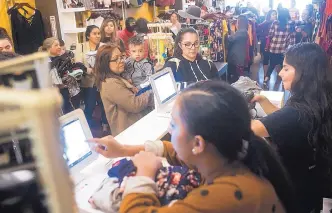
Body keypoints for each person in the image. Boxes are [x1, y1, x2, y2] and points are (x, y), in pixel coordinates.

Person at [89, 80, 298, 213]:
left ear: (198, 143)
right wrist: (124, 150)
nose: (169, 131)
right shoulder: (230, 157)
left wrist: (143, 174)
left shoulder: (227, 196)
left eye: (173, 124)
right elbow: (177, 152)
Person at [252, 43, 332, 213]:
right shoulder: (318, 100)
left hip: (296, 193)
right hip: (314, 184)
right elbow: (283, 122)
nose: (280, 73)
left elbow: (251, 129)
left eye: (286, 68)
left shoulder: (298, 112)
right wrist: (263, 101)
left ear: (304, 73)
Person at [94, 44, 154, 136]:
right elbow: (135, 104)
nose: (122, 61)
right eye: (116, 59)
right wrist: (152, 92)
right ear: (105, 63)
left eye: (122, 57)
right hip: (128, 134)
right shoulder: (110, 83)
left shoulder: (119, 77)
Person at [39, 37, 80, 113]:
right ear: (48, 48)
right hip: (56, 95)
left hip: (72, 92)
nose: (59, 47)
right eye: (56, 45)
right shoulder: (43, 62)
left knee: (75, 113)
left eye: (59, 45)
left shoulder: (65, 57)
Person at [82, 25, 109, 134]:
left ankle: (105, 125)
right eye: (94, 33)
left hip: (102, 79)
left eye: (99, 33)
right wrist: (86, 69)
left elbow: (108, 61)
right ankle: (85, 127)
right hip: (88, 81)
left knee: (104, 103)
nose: (98, 36)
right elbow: (77, 62)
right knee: (90, 104)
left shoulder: (104, 47)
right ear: (88, 35)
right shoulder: (82, 47)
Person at [263, 8, 295, 90]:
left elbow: (270, 34)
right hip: (282, 50)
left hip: (273, 49)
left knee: (271, 65)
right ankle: (284, 84)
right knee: (283, 66)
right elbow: (290, 40)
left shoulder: (275, 23)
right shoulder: (289, 24)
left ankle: (265, 80)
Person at [227, 15, 249, 84]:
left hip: (237, 57)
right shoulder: (243, 31)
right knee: (237, 75)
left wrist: (228, 32)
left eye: (237, 22)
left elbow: (231, 39)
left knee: (237, 77)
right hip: (238, 56)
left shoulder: (241, 32)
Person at [257, 10, 277, 78]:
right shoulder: (266, 22)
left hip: (274, 43)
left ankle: (269, 75)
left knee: (273, 59)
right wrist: (264, 36)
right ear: (269, 15)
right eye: (273, 14)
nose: (275, 16)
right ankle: (265, 74)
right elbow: (258, 28)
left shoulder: (277, 23)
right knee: (266, 58)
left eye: (275, 14)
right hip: (265, 43)